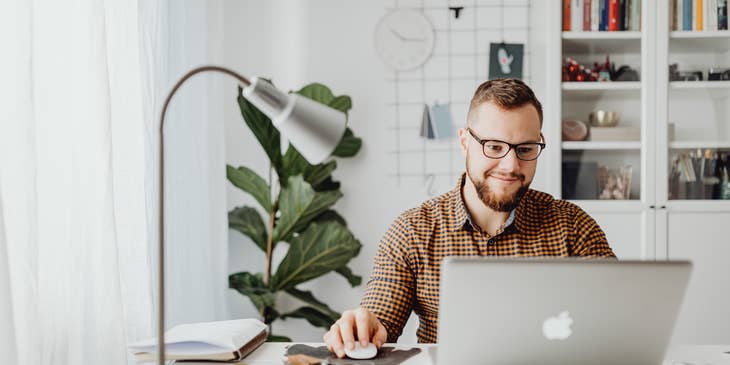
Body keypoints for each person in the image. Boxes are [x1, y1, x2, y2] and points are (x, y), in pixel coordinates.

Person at [323, 78, 616, 358]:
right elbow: (380, 318)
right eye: (494, 147)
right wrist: (362, 328)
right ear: (465, 142)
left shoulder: (574, 227)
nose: (510, 165)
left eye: (525, 149)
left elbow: (619, 317)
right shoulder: (413, 230)